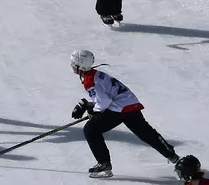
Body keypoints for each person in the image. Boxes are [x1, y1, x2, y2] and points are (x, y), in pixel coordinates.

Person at [69, 49, 178, 178]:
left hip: (119, 108)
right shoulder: (96, 74)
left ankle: (104, 164)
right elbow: (105, 98)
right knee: (145, 132)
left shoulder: (89, 80)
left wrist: (95, 111)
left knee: (90, 130)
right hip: (130, 103)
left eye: (72, 63)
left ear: (79, 65)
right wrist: (90, 106)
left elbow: (104, 102)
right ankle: (171, 155)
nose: (71, 65)